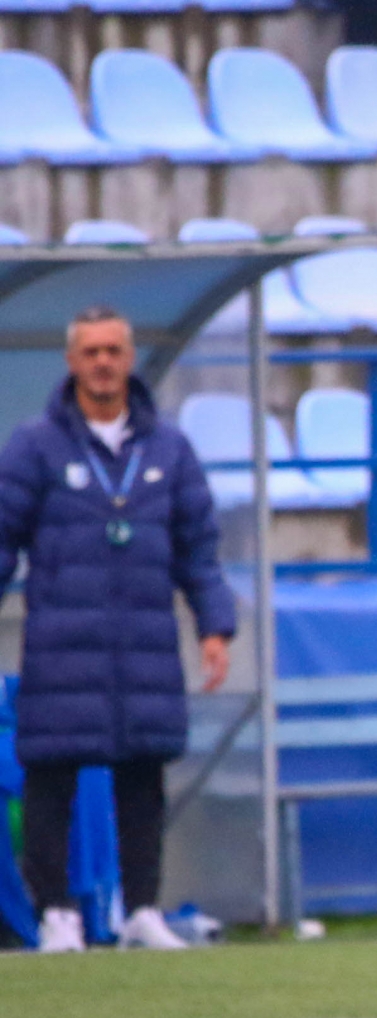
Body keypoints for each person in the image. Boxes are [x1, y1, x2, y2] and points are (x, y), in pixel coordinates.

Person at [0, 306, 235, 954]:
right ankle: (57, 915)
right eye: (91, 352)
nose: (103, 362)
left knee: (142, 774)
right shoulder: (35, 446)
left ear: (129, 359)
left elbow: (199, 548)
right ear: (72, 361)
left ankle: (141, 910)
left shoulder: (169, 449)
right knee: (51, 774)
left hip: (143, 643)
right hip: (62, 644)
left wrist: (214, 625)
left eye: (113, 351)